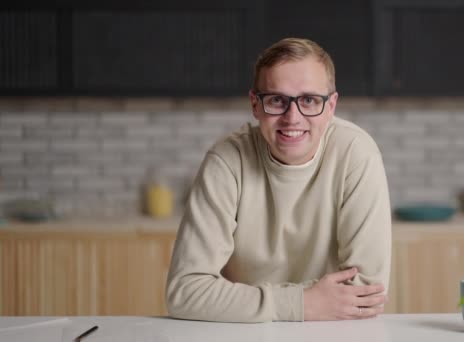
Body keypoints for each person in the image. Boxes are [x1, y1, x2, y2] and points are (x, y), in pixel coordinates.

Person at [166, 37, 392, 323]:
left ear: (331, 106)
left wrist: (239, 301)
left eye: (309, 100)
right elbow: (185, 293)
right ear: (255, 105)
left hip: (332, 334)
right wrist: (300, 304)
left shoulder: (357, 154)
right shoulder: (226, 161)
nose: (292, 118)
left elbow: (365, 295)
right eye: (277, 100)